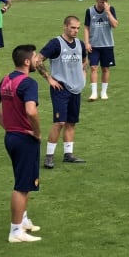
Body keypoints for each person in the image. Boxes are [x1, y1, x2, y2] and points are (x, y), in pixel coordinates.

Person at [0, 44, 43, 243]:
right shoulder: (28, 83)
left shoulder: (6, 80)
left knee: (23, 180)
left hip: (12, 137)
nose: (37, 60)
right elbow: (31, 111)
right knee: (22, 185)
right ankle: (16, 231)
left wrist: (7, 126)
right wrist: (37, 132)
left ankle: (24, 220)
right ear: (27, 61)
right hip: (24, 138)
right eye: (35, 57)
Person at [35, 16, 88, 169]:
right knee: (59, 122)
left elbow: (84, 60)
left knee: (71, 122)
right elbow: (38, 60)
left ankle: (68, 154)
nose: (76, 31)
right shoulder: (55, 43)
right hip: (60, 88)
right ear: (65, 27)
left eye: (78, 28)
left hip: (76, 89)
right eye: (73, 28)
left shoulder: (80, 44)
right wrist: (49, 79)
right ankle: (49, 156)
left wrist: (83, 76)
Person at [84, 0, 119, 101]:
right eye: (101, 2)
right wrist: (86, 42)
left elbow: (115, 25)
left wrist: (108, 12)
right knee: (93, 67)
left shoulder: (110, 9)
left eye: (104, 2)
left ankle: (104, 92)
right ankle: (94, 93)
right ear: (97, 0)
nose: (102, 5)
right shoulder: (89, 11)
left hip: (107, 45)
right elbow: (86, 27)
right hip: (94, 45)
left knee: (105, 68)